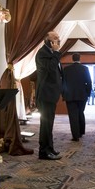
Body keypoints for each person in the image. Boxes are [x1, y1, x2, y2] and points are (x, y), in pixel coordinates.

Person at [35, 31, 63, 160]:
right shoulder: (42, 53)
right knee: (45, 124)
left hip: (51, 94)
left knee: (49, 124)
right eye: (55, 38)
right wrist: (56, 53)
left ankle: (50, 148)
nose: (58, 40)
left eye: (58, 38)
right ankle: (43, 152)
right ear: (48, 40)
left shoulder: (51, 53)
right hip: (45, 94)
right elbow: (50, 69)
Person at [62, 53, 92, 142]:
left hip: (70, 95)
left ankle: (75, 136)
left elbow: (63, 83)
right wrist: (88, 94)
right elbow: (89, 82)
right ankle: (81, 131)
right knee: (81, 113)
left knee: (73, 116)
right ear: (79, 59)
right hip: (82, 95)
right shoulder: (85, 69)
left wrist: (63, 94)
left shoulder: (66, 69)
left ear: (72, 59)